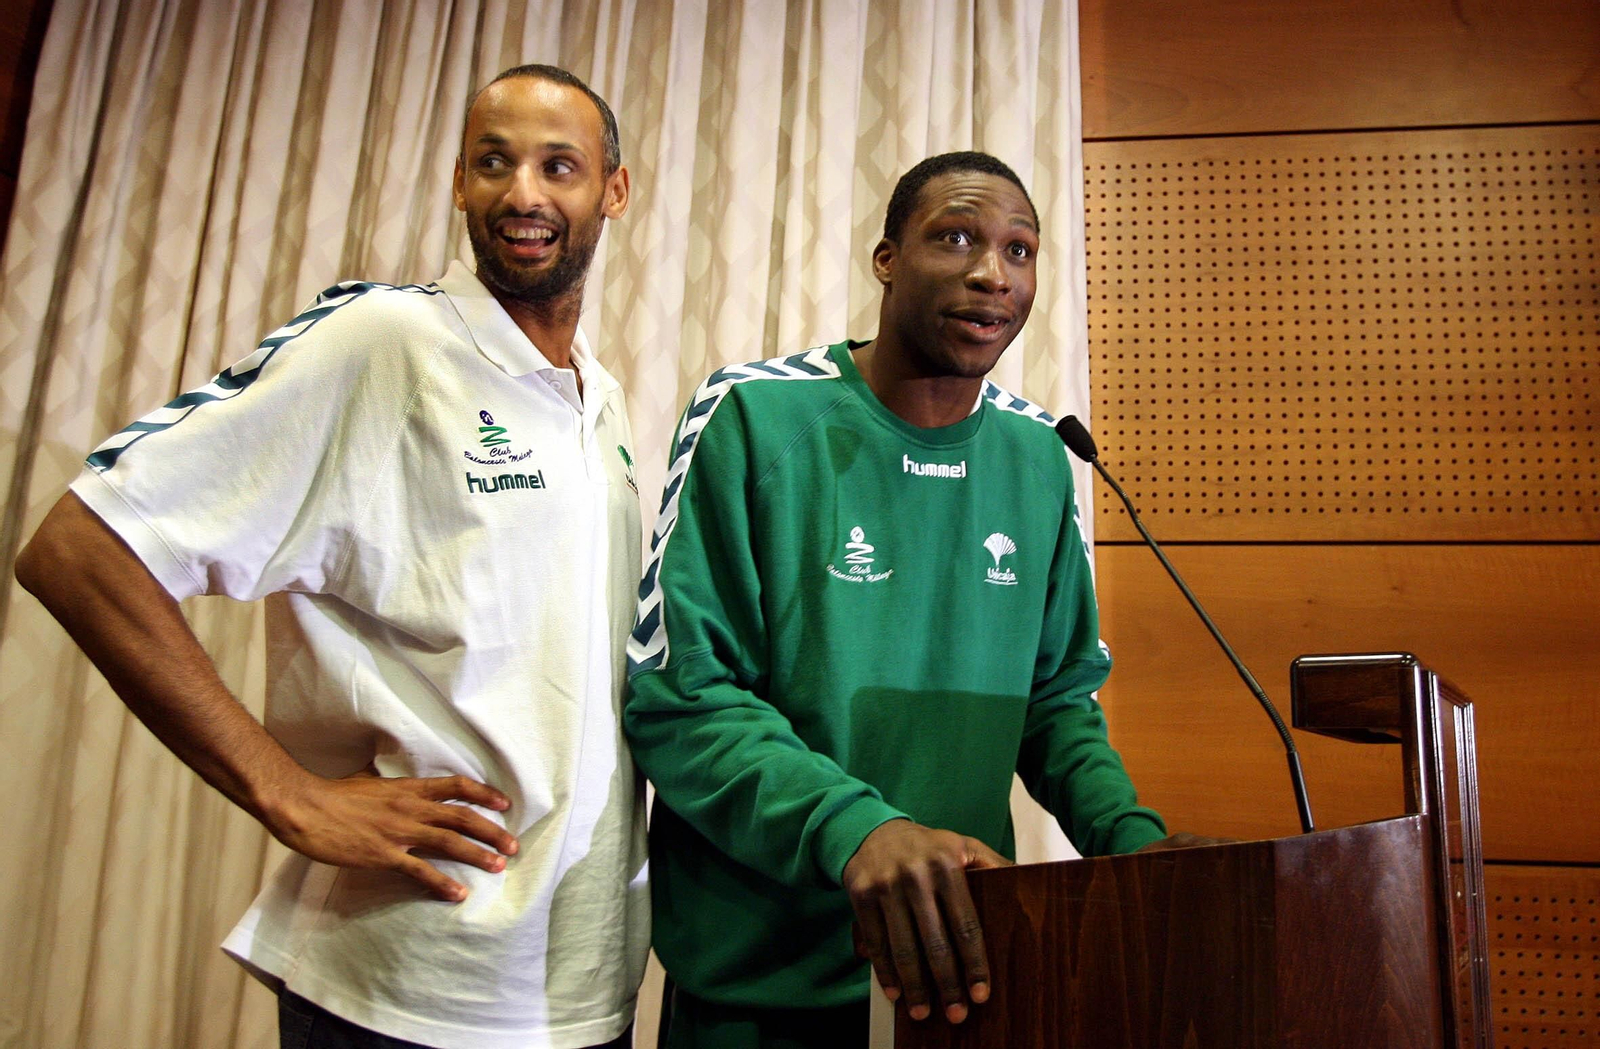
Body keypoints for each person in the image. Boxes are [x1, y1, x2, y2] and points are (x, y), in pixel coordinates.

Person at [14, 65, 645, 1049]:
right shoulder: (385, 339)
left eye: (557, 166)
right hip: (403, 979)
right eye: (494, 162)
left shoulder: (596, 397)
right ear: (459, 183)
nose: (522, 192)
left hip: (574, 989)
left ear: (613, 189)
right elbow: (80, 548)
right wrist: (289, 792)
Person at [624, 151, 1183, 1049]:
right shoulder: (755, 416)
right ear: (886, 259)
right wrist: (857, 830)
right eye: (955, 238)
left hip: (958, 977)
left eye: (1020, 249)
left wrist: (1131, 842)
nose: (991, 273)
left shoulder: (1041, 455)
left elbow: (1054, 704)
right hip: (764, 993)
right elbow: (680, 694)